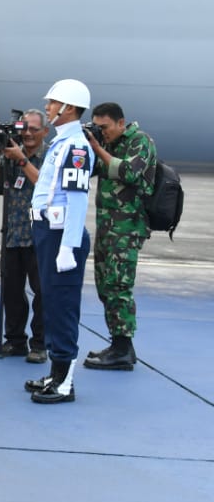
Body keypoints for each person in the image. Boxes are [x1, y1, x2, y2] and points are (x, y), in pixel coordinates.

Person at [24, 79, 96, 404]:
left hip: (61, 235)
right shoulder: (61, 143)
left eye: (53, 103)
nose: (48, 108)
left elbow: (77, 199)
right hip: (48, 232)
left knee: (62, 305)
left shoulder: (76, 146)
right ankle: (56, 372)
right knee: (51, 303)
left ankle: (64, 382)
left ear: (68, 108)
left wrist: (68, 245)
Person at [83, 102, 157, 371]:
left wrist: (97, 148)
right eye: (97, 128)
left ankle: (123, 348)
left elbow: (129, 172)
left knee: (119, 286)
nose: (102, 133)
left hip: (126, 229)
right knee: (105, 286)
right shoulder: (106, 144)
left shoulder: (140, 141)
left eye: (105, 127)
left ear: (121, 123)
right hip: (107, 227)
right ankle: (119, 344)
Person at [0, 109, 49, 363]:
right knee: (11, 291)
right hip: (12, 231)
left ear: (45, 131)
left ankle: (40, 344)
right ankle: (14, 341)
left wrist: (22, 160)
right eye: (25, 128)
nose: (28, 134)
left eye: (34, 129)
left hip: (39, 234)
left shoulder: (50, 156)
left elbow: (45, 184)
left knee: (42, 293)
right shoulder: (10, 154)